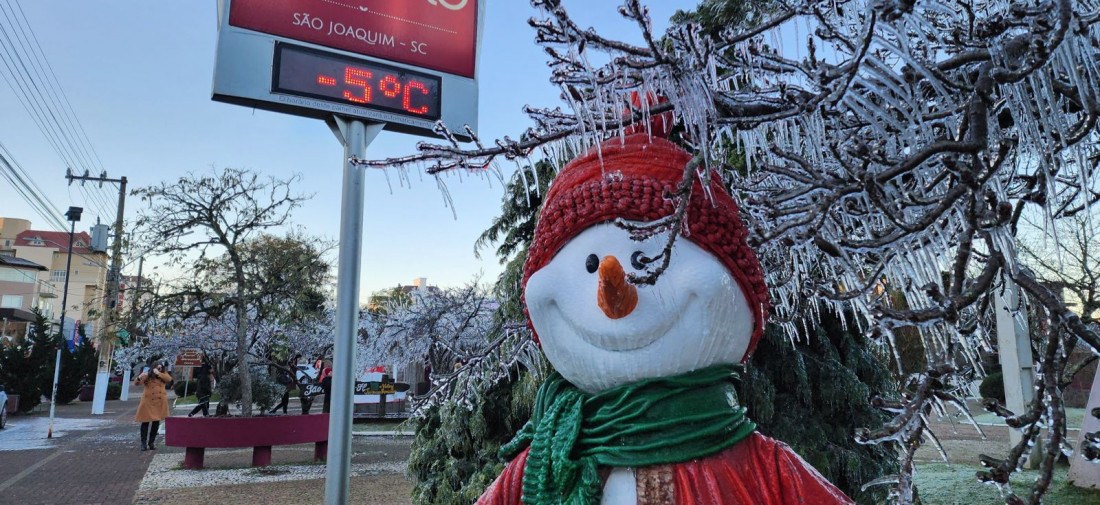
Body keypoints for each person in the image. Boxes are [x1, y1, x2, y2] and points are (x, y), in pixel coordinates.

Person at [134, 360, 173, 451]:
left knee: (156, 423)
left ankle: (151, 443)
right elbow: (137, 383)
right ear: (153, 367)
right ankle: (143, 443)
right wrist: (139, 377)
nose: (160, 369)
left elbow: (169, 379)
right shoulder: (148, 375)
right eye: (158, 367)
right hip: (148, 402)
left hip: (159, 402)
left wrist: (159, 373)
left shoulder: (162, 375)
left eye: (161, 367)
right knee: (145, 422)